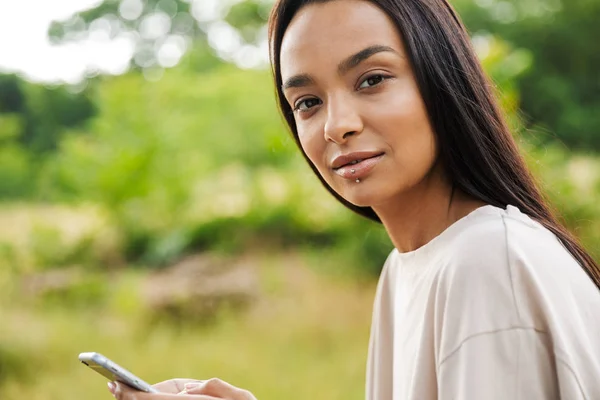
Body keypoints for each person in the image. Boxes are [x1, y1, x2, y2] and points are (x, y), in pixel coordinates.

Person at [109, 0, 600, 399]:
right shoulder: (407, 268)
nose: (336, 125)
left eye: (372, 79)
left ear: (441, 79)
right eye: (307, 102)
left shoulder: (490, 261)